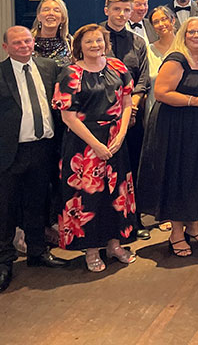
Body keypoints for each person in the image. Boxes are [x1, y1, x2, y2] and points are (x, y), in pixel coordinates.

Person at [53, 24, 137, 272]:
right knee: (89, 198)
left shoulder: (118, 67)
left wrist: (120, 135)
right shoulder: (70, 73)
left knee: (116, 194)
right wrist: (96, 145)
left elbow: (127, 104)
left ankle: (114, 244)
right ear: (79, 45)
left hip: (115, 140)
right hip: (84, 145)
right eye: (89, 41)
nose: (95, 45)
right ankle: (91, 250)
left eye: (98, 40)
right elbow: (68, 117)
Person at [138, 18, 198, 257]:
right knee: (177, 175)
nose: (197, 35)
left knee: (195, 174)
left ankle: (194, 225)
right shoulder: (176, 59)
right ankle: (176, 232)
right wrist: (194, 101)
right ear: (183, 34)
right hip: (175, 126)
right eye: (192, 31)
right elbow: (161, 93)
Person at [0, 27, 68, 293]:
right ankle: (4, 261)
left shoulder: (48, 67)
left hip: (43, 149)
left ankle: (38, 252)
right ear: (6, 47)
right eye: (17, 43)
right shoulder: (1, 72)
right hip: (9, 152)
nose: (24, 46)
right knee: (5, 209)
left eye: (27, 41)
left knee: (37, 203)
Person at [100, 0, 151, 240]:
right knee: (104, 173)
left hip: (132, 117)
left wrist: (131, 110)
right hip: (100, 118)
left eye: (127, 11)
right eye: (117, 9)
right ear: (107, 10)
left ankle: (135, 219)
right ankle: (106, 225)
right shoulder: (93, 36)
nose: (122, 15)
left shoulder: (138, 42)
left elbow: (142, 80)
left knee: (133, 168)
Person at [31, 0, 73, 66]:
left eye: (56, 10)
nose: (51, 13)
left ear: (63, 18)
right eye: (46, 10)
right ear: (38, 17)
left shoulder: (69, 42)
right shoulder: (26, 40)